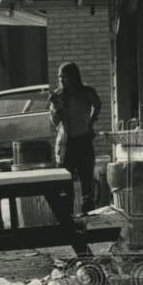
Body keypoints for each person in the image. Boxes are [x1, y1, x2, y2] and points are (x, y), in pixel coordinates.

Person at [49, 61, 101, 215]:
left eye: (65, 77)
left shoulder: (86, 92)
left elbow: (97, 104)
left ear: (73, 77)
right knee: (65, 186)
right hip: (66, 144)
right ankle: (69, 222)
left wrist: (91, 121)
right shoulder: (58, 96)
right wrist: (56, 107)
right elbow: (55, 123)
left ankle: (89, 220)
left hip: (83, 140)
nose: (62, 80)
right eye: (60, 77)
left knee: (87, 185)